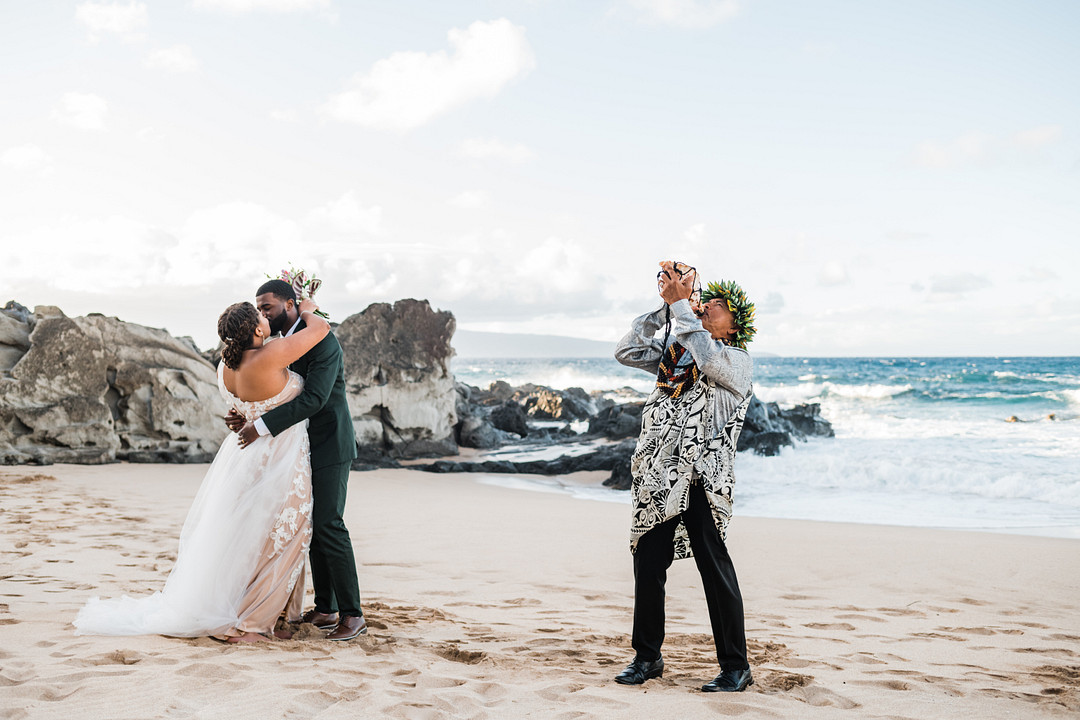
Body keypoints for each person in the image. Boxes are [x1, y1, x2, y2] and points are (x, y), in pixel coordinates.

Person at [74, 298, 330, 642]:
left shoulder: (224, 368)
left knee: (251, 536)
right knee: (283, 537)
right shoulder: (270, 355)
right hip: (281, 459)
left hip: (246, 457)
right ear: (256, 329)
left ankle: (255, 608)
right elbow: (321, 329)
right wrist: (309, 307)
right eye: (261, 316)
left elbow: (248, 407)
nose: (267, 318)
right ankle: (254, 621)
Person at [612, 261, 757, 693]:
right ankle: (647, 657)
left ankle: (736, 666)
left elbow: (707, 355)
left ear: (733, 328)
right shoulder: (674, 357)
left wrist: (682, 308)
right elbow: (627, 351)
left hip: (701, 480)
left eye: (717, 307)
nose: (707, 307)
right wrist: (664, 308)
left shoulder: (735, 360)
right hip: (659, 477)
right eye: (704, 302)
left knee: (715, 569)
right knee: (648, 565)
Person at [227, 279, 365, 641]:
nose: (262, 314)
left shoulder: (322, 340)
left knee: (329, 525)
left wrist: (261, 425)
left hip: (330, 443)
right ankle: (325, 608)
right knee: (311, 528)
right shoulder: (278, 344)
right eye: (259, 308)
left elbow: (315, 399)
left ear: (291, 304)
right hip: (297, 448)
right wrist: (248, 414)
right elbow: (276, 390)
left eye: (267, 306)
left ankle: (353, 615)